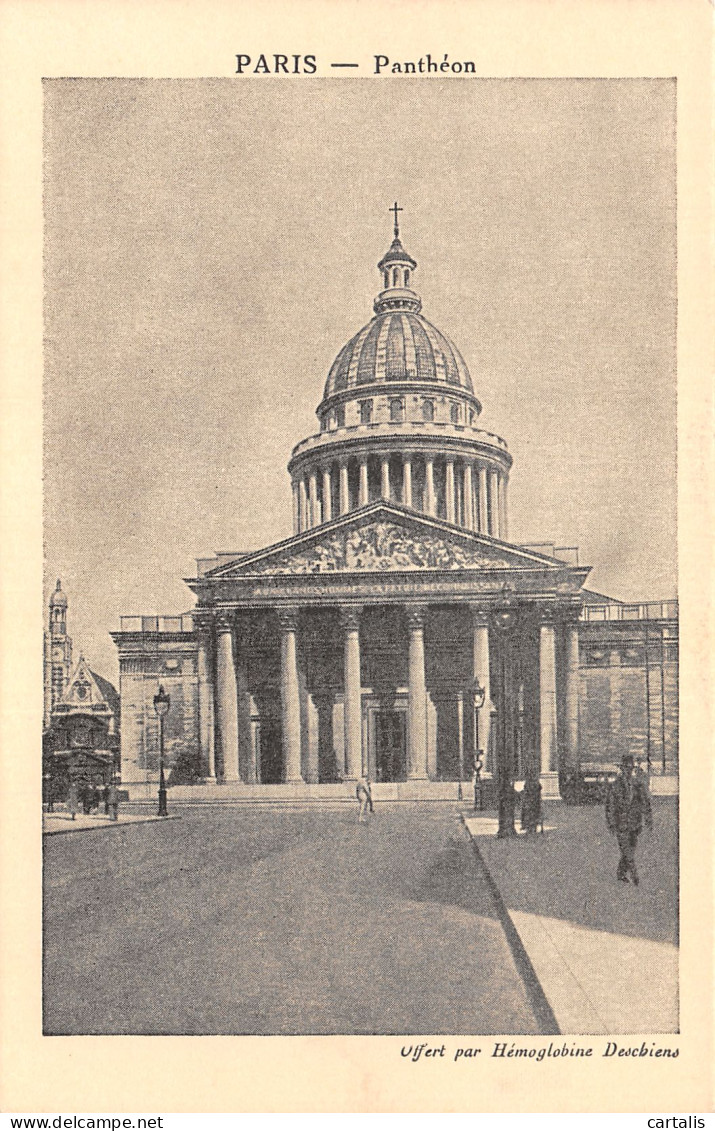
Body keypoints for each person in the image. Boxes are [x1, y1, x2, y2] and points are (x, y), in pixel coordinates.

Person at [606, 753, 652, 885]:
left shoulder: (638, 784)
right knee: (627, 851)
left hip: (635, 824)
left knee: (629, 850)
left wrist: (648, 819)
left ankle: (620, 873)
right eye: (626, 768)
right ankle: (635, 876)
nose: (628, 771)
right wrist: (611, 823)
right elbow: (610, 806)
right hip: (621, 824)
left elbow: (645, 802)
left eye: (630, 768)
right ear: (622, 769)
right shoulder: (615, 786)